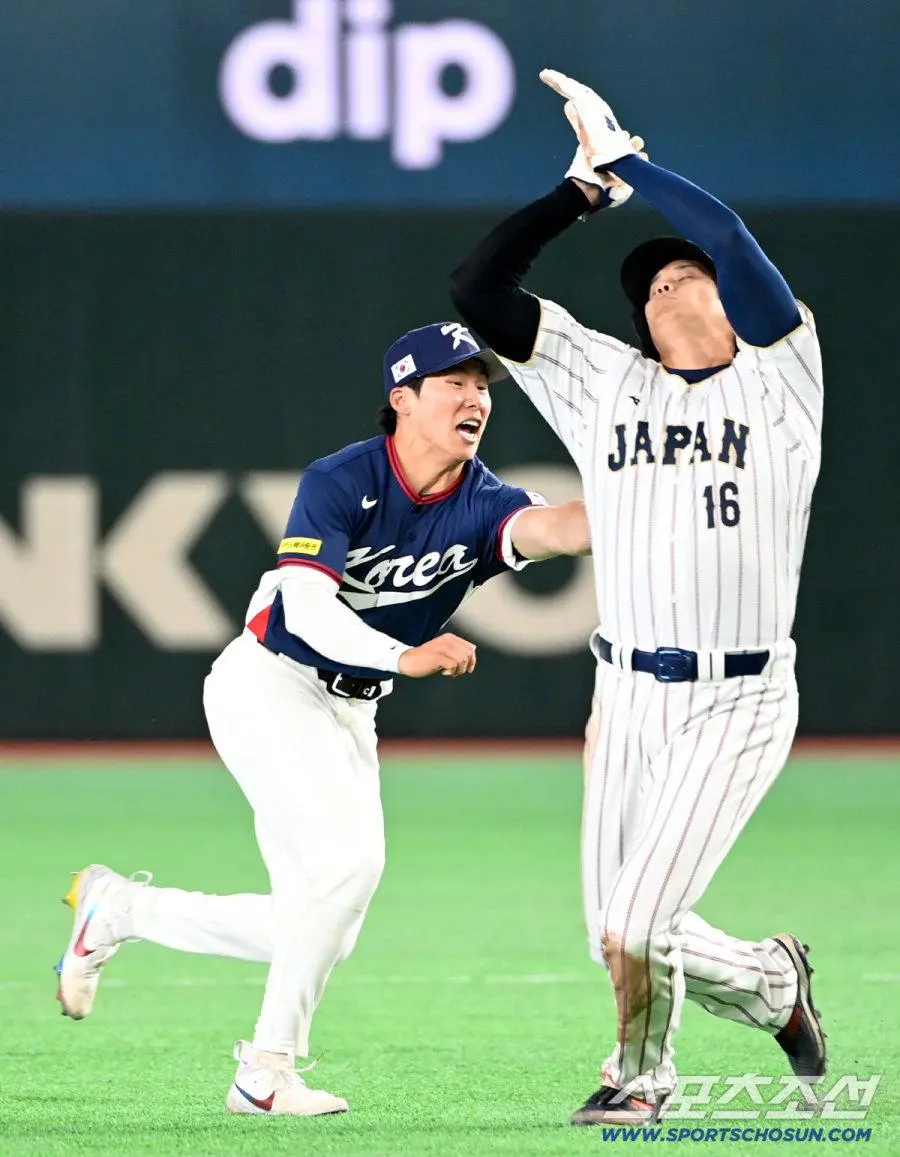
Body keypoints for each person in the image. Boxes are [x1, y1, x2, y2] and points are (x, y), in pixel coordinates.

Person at [54, 321, 591, 1116]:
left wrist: (648, 483)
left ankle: (123, 910)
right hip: (268, 683)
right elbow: (304, 606)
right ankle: (264, 1072)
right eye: (455, 382)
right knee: (349, 868)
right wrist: (403, 656)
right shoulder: (343, 479)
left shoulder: (486, 501)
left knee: (319, 927)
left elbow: (560, 528)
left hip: (350, 709)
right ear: (402, 398)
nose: (476, 397)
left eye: (482, 385)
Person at [449, 69, 825, 1128]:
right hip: (627, 693)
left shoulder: (783, 375)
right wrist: (577, 195)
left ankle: (637, 1079)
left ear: (725, 299)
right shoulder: (608, 381)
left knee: (637, 921)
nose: (665, 288)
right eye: (649, 288)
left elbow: (736, 240)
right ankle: (772, 982)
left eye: (681, 275)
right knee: (614, 930)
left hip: (740, 697)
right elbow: (478, 289)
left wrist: (635, 168)